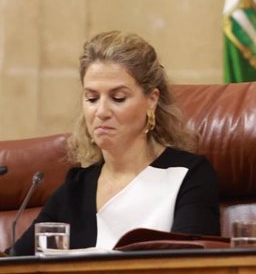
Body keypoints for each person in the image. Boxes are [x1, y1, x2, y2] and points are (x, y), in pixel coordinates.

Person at [8, 31, 220, 255]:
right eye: (91, 98)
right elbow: (16, 263)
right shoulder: (75, 189)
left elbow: (194, 265)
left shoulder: (189, 176)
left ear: (151, 100)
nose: (101, 112)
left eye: (118, 98)